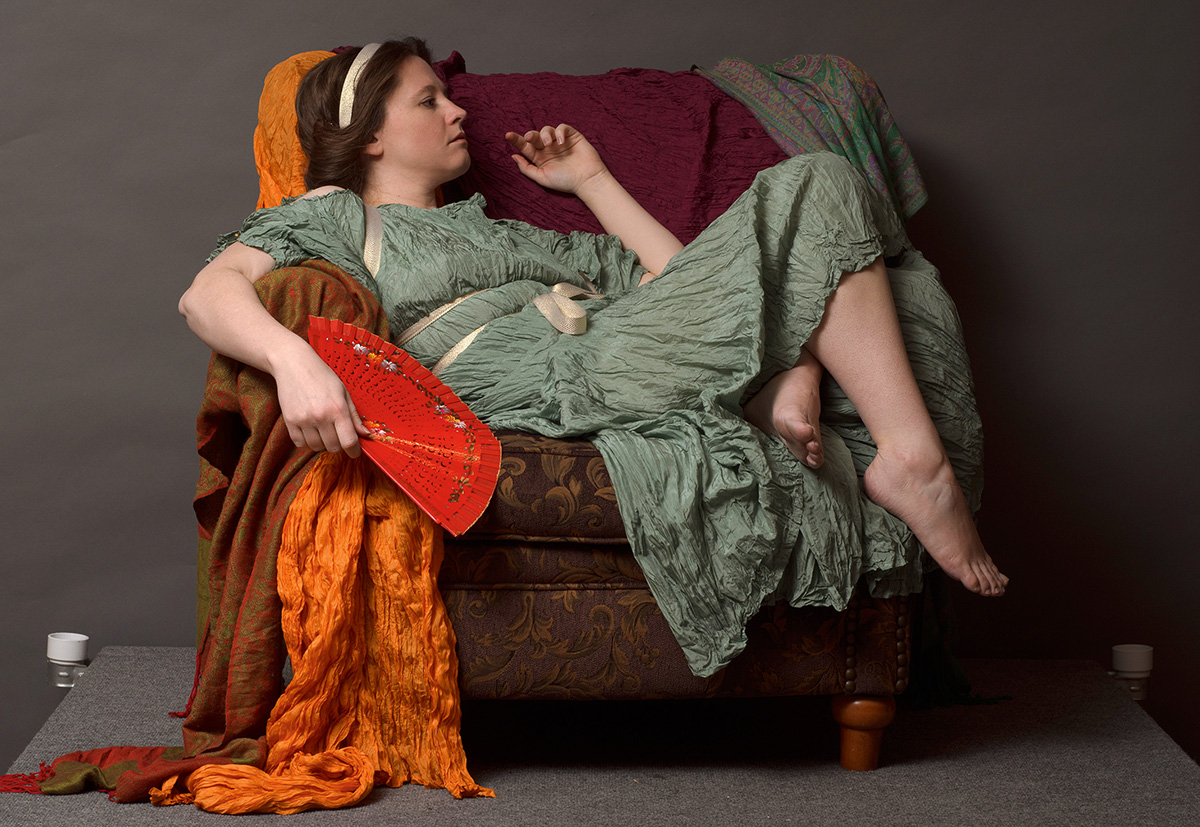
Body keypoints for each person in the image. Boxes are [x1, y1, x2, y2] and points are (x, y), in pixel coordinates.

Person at [180, 39, 1007, 677]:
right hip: (549, 377)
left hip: (622, 341)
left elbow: (681, 280)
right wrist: (294, 361)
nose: (457, 112)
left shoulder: (507, 231)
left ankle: (795, 377)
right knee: (822, 181)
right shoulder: (339, 216)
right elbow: (208, 293)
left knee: (911, 295)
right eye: (429, 100)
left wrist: (594, 180)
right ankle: (898, 450)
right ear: (366, 136)